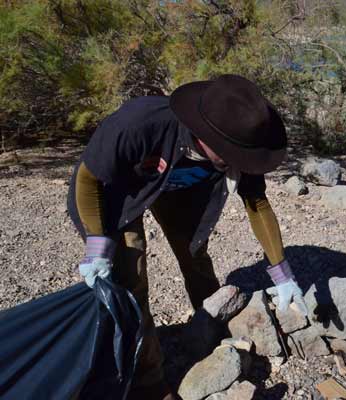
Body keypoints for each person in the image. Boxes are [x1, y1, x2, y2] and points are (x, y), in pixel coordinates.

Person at [68, 74, 308, 400]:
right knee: (131, 279)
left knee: (194, 254)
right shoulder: (138, 124)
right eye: (231, 155)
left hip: (176, 190)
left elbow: (257, 204)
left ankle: (209, 328)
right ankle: (149, 381)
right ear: (204, 135)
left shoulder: (240, 143)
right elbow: (88, 179)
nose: (241, 163)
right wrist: (97, 245)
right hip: (117, 196)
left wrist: (282, 273)